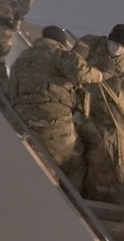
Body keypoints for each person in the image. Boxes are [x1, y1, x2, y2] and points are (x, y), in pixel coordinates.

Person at [8, 25, 102, 187]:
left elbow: (12, 89)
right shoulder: (59, 53)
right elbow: (81, 72)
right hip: (52, 120)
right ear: (60, 42)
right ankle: (68, 201)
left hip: (21, 119)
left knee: (36, 160)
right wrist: (100, 75)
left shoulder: (22, 58)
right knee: (73, 160)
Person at [78, 23, 124, 201]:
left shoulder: (123, 65)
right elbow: (73, 66)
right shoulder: (90, 43)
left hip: (101, 114)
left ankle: (88, 189)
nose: (118, 49)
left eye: (123, 47)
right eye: (116, 43)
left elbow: (122, 96)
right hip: (78, 103)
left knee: (101, 150)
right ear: (109, 38)